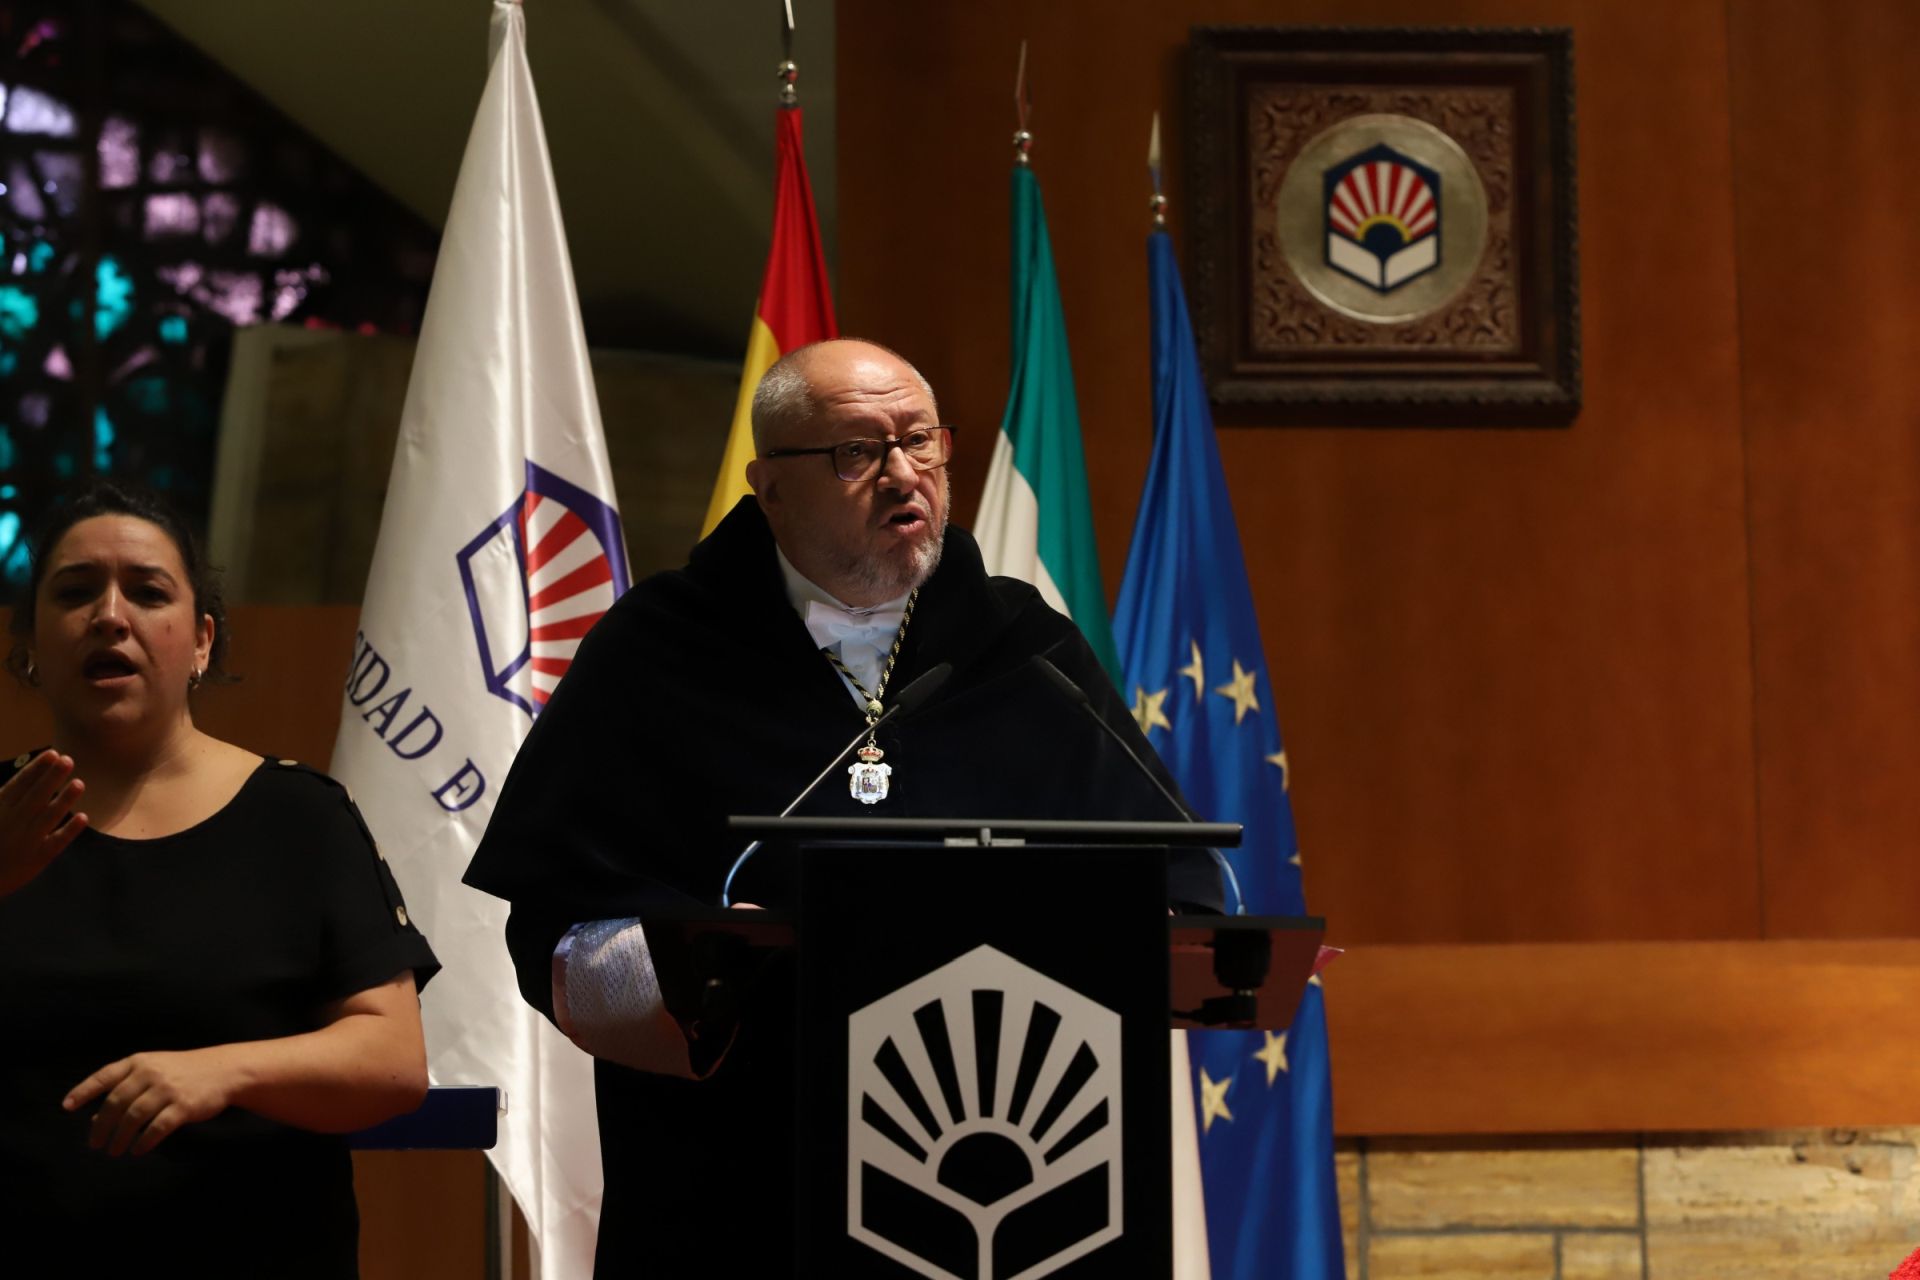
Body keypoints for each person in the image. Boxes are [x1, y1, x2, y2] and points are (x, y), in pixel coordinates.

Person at [464, 339, 1222, 1274]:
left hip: (1004, 1167)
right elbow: (555, 917)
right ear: (769, 484)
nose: (904, 474)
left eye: (922, 444)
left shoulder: (1023, 647)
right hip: (737, 1167)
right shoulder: (660, 651)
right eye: (858, 453)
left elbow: (1178, 878)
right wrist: (699, 958)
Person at [0, 482, 439, 1278]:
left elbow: (394, 1064)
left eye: (146, 590)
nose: (109, 615)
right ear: (29, 641)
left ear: (202, 641)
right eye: (74, 592)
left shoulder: (299, 818)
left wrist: (224, 1070)